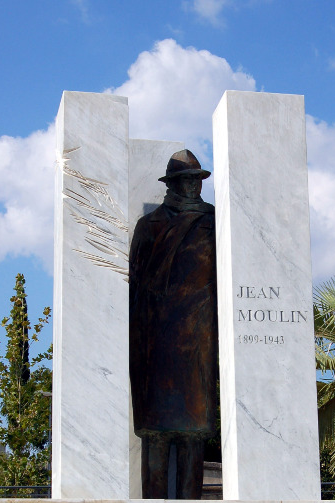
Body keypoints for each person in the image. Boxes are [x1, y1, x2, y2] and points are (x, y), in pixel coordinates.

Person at [129, 149, 218, 499]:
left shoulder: (212, 221)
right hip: (156, 339)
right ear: (175, 184)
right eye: (189, 180)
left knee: (195, 433)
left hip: (199, 336)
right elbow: (134, 280)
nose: (195, 186)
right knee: (155, 432)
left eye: (198, 180)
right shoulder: (150, 225)